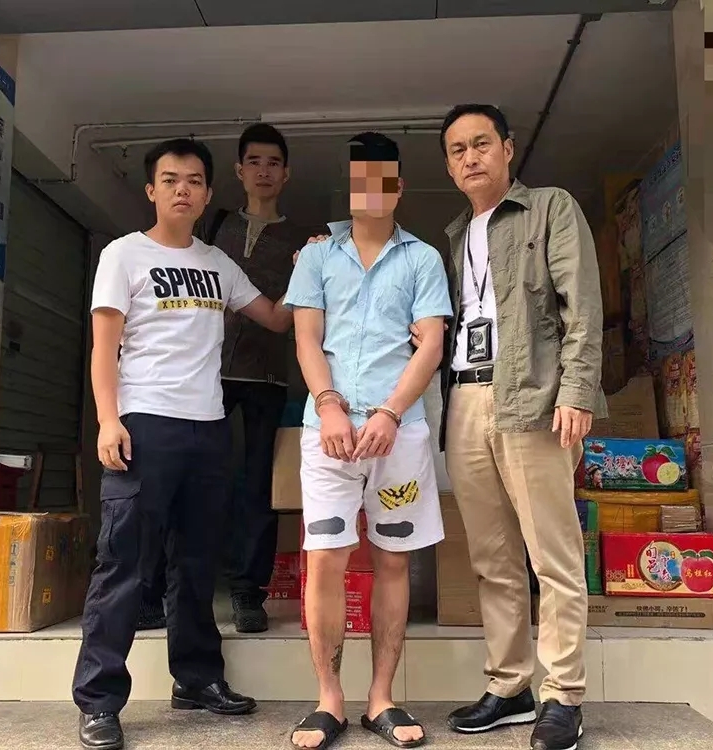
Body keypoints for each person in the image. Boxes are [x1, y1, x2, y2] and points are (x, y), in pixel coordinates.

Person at [72, 137, 294, 750]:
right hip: (145, 423)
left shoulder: (217, 263)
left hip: (209, 426)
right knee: (124, 561)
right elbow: (104, 348)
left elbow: (276, 318)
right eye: (170, 180)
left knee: (197, 562)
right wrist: (108, 420)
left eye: (194, 181)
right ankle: (99, 700)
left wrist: (315, 264)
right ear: (151, 190)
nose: (182, 190)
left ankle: (197, 679)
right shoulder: (124, 254)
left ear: (208, 192)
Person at [412, 104, 607, 750]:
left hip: (533, 396)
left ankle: (564, 695)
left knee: (553, 554)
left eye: (481, 144)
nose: (470, 157)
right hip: (465, 398)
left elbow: (582, 306)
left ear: (508, 148)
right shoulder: (453, 236)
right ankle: (510, 684)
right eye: (457, 150)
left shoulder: (550, 208)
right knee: (492, 557)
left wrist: (577, 391)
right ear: (449, 165)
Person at [284, 132, 452, 750]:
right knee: (325, 559)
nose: (370, 191)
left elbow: (431, 345)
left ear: (398, 187)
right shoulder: (317, 256)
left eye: (381, 180)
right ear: (350, 187)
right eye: (360, 180)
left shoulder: (423, 258)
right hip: (326, 431)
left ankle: (381, 696)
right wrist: (329, 405)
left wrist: (389, 412)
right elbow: (306, 338)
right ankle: (328, 699)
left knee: (393, 560)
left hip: (398, 432)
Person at [137, 123, 315, 635]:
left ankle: (247, 593)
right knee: (180, 481)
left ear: (286, 173)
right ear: (238, 171)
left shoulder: (302, 240)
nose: (264, 171)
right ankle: (152, 591)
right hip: (204, 378)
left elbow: (281, 317)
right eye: (254, 161)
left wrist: (308, 268)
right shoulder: (211, 228)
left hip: (267, 376)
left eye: (273, 163)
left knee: (255, 485)